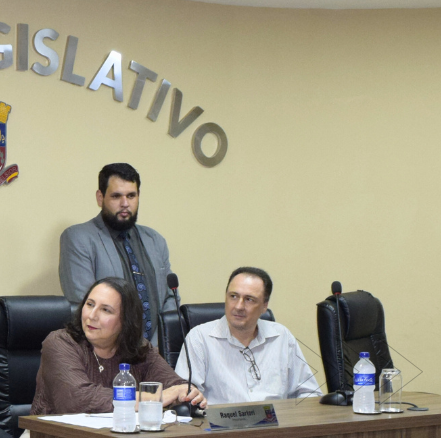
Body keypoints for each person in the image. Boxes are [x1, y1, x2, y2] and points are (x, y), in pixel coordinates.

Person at [31, 277, 206, 415]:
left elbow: (173, 385)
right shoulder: (60, 342)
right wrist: (154, 397)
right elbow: (77, 400)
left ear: (125, 320)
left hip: (117, 437)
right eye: (90, 304)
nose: (92, 316)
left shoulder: (139, 349)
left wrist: (186, 392)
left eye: (105, 310)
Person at [58, 162, 175, 346]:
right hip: (106, 352)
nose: (125, 204)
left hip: (157, 352)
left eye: (131, 195)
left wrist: (156, 347)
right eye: (116, 196)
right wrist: (132, 349)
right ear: (100, 197)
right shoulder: (78, 238)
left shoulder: (155, 240)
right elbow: (84, 304)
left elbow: (170, 298)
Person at [175, 266, 320, 405]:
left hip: (276, 420)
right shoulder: (200, 338)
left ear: (264, 305)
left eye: (249, 299)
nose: (238, 306)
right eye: (233, 296)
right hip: (220, 421)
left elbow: (309, 393)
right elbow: (185, 396)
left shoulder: (282, 336)